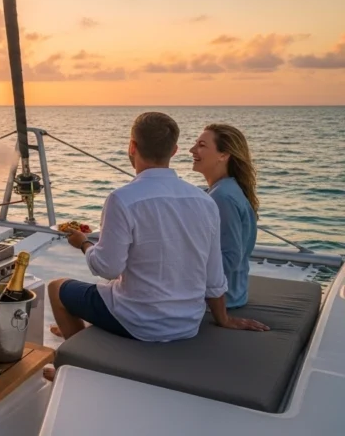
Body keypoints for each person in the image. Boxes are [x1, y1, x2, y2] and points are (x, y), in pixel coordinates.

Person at [46, 112, 267, 356]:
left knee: (57, 288)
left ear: (132, 147)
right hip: (188, 323)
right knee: (111, 287)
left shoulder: (122, 199)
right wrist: (223, 319)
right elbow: (214, 276)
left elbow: (107, 267)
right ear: (174, 150)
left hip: (140, 322)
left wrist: (84, 243)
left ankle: (79, 360)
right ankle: (87, 340)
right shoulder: (204, 201)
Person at [190, 124, 259, 309]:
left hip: (222, 302)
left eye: (202, 145)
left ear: (223, 155)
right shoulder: (223, 189)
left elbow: (230, 258)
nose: (192, 150)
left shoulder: (222, 197)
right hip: (232, 294)